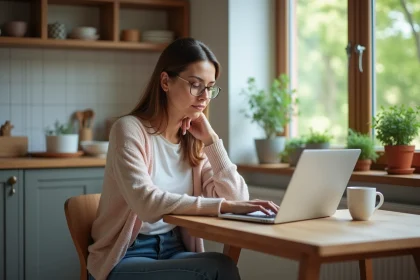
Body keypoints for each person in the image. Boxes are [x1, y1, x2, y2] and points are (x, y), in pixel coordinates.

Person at [87, 37, 279, 280]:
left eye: (210, 87)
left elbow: (238, 198)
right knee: (218, 269)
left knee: (222, 264)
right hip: (125, 255)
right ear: (166, 81)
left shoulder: (193, 141)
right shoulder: (129, 130)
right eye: (196, 85)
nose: (204, 96)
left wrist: (211, 140)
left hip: (174, 249)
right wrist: (225, 207)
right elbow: (146, 204)